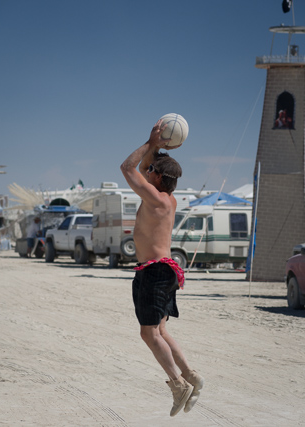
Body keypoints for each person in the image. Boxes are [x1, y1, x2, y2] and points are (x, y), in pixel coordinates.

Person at [120, 119, 204, 417]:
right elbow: (143, 165)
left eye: (152, 170)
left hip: (155, 272)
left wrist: (149, 140)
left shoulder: (156, 200)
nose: (147, 170)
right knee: (161, 330)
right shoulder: (167, 197)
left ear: (158, 178)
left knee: (149, 333)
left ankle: (179, 384)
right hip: (159, 270)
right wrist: (156, 145)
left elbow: (128, 168)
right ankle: (191, 375)